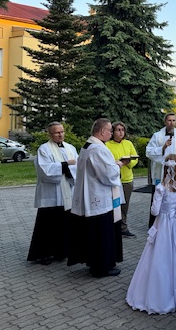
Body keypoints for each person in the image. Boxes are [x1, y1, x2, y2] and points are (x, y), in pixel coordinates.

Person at [126, 154, 176, 313]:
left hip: (164, 223)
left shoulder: (161, 188)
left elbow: (155, 211)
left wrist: (166, 208)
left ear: (165, 168)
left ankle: (160, 294)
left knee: (161, 254)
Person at [68, 118, 124, 278]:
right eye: (110, 131)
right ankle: (102, 268)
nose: (111, 133)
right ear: (102, 131)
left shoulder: (88, 145)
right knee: (102, 234)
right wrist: (117, 166)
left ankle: (94, 263)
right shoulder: (98, 149)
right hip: (99, 198)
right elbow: (108, 174)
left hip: (91, 195)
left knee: (94, 233)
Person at [27, 121, 78, 265]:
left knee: (65, 224)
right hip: (52, 194)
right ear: (50, 134)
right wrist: (66, 165)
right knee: (47, 226)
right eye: (57, 133)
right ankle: (43, 255)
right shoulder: (44, 149)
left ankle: (62, 252)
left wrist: (67, 168)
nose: (60, 135)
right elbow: (45, 170)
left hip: (67, 193)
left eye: (62, 131)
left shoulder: (70, 148)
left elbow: (78, 166)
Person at [146, 113, 176, 227]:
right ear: (165, 122)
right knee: (158, 196)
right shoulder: (157, 136)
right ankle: (154, 224)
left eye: (173, 120)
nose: (171, 123)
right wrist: (163, 148)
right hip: (161, 172)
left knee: (173, 197)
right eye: (169, 120)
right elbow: (149, 151)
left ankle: (173, 220)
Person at [105, 121, 138, 237]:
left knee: (125, 206)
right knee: (114, 205)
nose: (121, 132)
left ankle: (123, 227)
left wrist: (128, 163)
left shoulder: (128, 143)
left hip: (127, 179)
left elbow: (135, 158)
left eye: (122, 130)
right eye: (118, 130)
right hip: (114, 180)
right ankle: (112, 227)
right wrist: (117, 162)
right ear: (112, 132)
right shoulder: (107, 144)